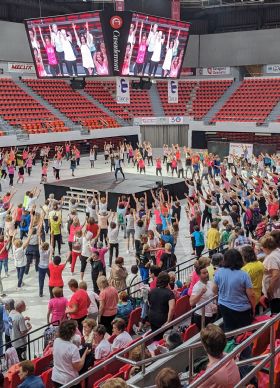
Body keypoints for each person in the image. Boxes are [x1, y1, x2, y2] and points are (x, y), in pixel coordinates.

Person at [213, 249, 255, 331]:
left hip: (224, 306)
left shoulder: (219, 272)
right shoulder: (244, 275)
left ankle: (230, 342)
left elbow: (214, 289)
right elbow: (251, 294)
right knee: (243, 331)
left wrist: (221, 296)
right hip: (241, 308)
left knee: (229, 328)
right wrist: (253, 307)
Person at [52, 320, 91, 387]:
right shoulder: (73, 348)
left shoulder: (56, 341)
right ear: (72, 332)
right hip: (69, 381)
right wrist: (85, 353)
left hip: (56, 377)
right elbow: (78, 367)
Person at [148, 272, 175, 339]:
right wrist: (168, 321)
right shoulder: (169, 293)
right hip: (164, 318)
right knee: (166, 338)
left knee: (156, 337)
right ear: (167, 281)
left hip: (152, 317)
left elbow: (149, 303)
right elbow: (172, 308)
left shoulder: (151, 291)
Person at [190, 264, 216, 330]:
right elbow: (191, 302)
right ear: (199, 275)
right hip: (202, 316)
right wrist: (201, 293)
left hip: (211, 314)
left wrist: (215, 304)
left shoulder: (210, 283)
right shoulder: (197, 286)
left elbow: (213, 296)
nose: (207, 274)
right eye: (204, 273)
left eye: (207, 272)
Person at [261, 234, 280, 314]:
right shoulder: (277, 251)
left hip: (275, 293)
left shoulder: (271, 257)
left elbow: (276, 275)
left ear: (266, 247)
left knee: (276, 314)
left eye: (263, 247)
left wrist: (270, 290)